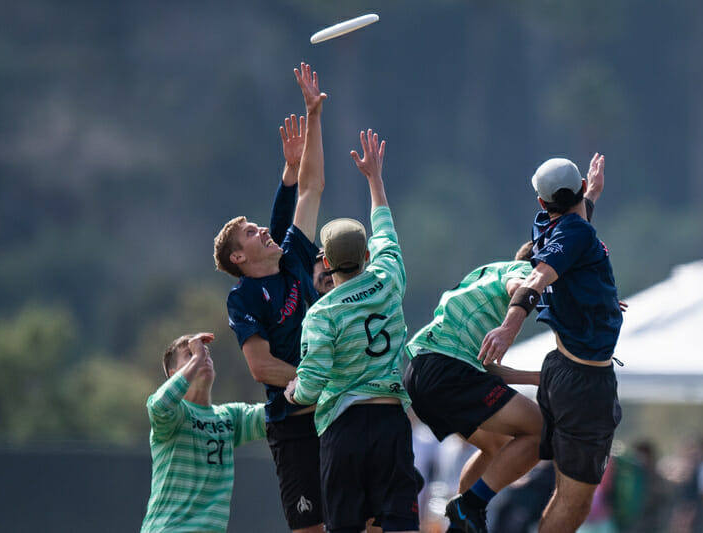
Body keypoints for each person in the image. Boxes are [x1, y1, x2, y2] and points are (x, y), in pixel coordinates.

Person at [478, 153, 623, 533]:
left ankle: (476, 498)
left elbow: (573, 238)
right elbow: (537, 280)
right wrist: (510, 327)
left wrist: (597, 295)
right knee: (574, 500)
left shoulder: (546, 224)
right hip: (585, 383)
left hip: (562, 368)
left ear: (543, 203)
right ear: (576, 191)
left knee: (563, 489)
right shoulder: (577, 232)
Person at [284, 129, 420, 533]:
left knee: (344, 526)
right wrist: (375, 181)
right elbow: (387, 235)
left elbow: (313, 382)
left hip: (342, 430)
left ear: (324, 262)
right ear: (365, 256)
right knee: (398, 523)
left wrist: (296, 392)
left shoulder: (322, 315)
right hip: (391, 423)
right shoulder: (389, 278)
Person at [213, 62, 327, 533]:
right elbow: (262, 369)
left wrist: (314, 115)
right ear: (239, 257)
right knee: (309, 529)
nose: (262, 229)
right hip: (294, 422)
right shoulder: (242, 299)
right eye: (250, 232)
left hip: (332, 414)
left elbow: (312, 186)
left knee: (364, 520)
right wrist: (321, 380)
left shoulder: (295, 255)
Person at [402, 246, 544, 533]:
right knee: (542, 431)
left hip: (422, 372)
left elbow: (484, 370)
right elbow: (522, 287)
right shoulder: (526, 273)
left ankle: (460, 525)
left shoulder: (488, 274)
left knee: (497, 445)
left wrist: (534, 378)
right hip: (446, 371)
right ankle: (469, 506)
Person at [140, 332, 266, 533]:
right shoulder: (175, 415)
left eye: (206, 354)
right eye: (191, 355)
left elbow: (277, 415)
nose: (203, 358)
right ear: (174, 375)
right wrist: (198, 359)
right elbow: (158, 405)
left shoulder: (229, 417)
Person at [268, 113, 333, 297]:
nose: (328, 273)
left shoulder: (359, 301)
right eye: (321, 260)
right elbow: (282, 238)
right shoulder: (303, 301)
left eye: (330, 265)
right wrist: (292, 170)